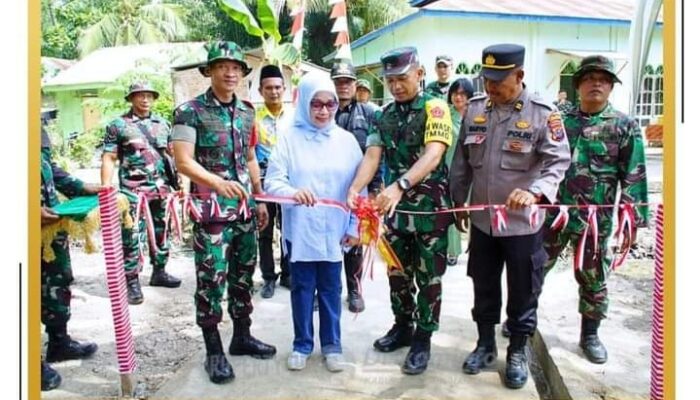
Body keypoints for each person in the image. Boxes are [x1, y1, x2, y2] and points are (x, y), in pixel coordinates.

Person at [449, 44, 571, 389]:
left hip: (522, 225)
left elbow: (557, 161)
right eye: (487, 80)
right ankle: (485, 343)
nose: (491, 88)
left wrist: (534, 191)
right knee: (483, 285)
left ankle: (517, 350)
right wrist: (460, 201)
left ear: (519, 75)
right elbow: (461, 162)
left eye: (499, 81)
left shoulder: (543, 113)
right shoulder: (474, 110)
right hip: (484, 223)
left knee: (523, 290)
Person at [171, 41, 275, 384]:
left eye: (236, 67)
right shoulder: (190, 112)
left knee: (244, 276)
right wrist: (216, 183)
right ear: (209, 71)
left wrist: (259, 199)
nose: (230, 73)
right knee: (211, 281)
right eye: (222, 66)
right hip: (211, 214)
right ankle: (213, 351)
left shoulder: (247, 112)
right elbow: (183, 161)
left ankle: (241, 336)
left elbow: (249, 158)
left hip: (244, 211)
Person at [347, 47, 454, 375]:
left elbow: (433, 155)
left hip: (428, 211)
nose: (396, 86)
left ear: (419, 74)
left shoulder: (436, 109)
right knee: (397, 273)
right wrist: (356, 187)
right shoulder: (385, 115)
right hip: (394, 212)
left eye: (402, 78)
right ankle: (402, 326)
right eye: (390, 80)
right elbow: (372, 155)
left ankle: (424, 337)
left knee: (429, 277)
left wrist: (399, 185)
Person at [542, 55, 649, 364]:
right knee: (533, 268)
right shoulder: (558, 120)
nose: (597, 84)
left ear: (611, 87)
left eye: (604, 79)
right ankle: (522, 319)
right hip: (555, 214)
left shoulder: (624, 126)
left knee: (593, 277)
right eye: (590, 78)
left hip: (594, 221)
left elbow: (634, 173)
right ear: (578, 86)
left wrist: (631, 223)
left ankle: (590, 334)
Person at [265, 71, 364, 373]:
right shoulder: (288, 139)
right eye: (316, 104)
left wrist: (354, 226)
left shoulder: (347, 142)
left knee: (332, 289)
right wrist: (294, 193)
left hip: (336, 231)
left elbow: (361, 189)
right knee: (303, 289)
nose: (323, 111)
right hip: (302, 230)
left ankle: (332, 345)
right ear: (305, 103)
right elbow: (272, 183)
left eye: (329, 104)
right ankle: (302, 343)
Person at [101, 81, 181, 305]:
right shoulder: (119, 125)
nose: (145, 99)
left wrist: (179, 184)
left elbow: (172, 155)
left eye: (149, 95)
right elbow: (109, 157)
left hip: (160, 188)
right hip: (132, 191)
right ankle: (132, 280)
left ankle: (160, 271)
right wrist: (106, 188)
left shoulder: (163, 124)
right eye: (139, 95)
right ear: (131, 99)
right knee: (131, 235)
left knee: (161, 230)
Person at [41, 124, 100, 391]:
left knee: (57, 281)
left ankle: (59, 342)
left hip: (49, 223)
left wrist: (81, 187)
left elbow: (49, 167)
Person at [331, 60, 383, 313]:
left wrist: (374, 189)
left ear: (354, 84)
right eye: (338, 81)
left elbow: (376, 154)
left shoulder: (370, 113)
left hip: (358, 187)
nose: (343, 86)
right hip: (328, 189)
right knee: (328, 240)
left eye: (347, 81)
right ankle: (330, 290)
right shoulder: (321, 110)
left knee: (354, 240)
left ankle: (354, 289)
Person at [255, 65, 292, 299]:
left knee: (288, 229)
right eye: (269, 88)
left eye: (278, 87)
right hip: (263, 183)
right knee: (265, 231)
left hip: (289, 182)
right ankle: (268, 277)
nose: (274, 92)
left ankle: (288, 273)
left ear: (284, 89)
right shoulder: (253, 118)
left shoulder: (296, 116)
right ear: (261, 91)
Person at [445, 78, 475, 266]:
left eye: (463, 93)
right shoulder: (445, 115)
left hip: (475, 169)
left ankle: (475, 248)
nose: (458, 97)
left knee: (476, 209)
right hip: (451, 168)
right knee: (454, 208)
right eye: (455, 93)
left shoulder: (477, 115)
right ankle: (452, 251)